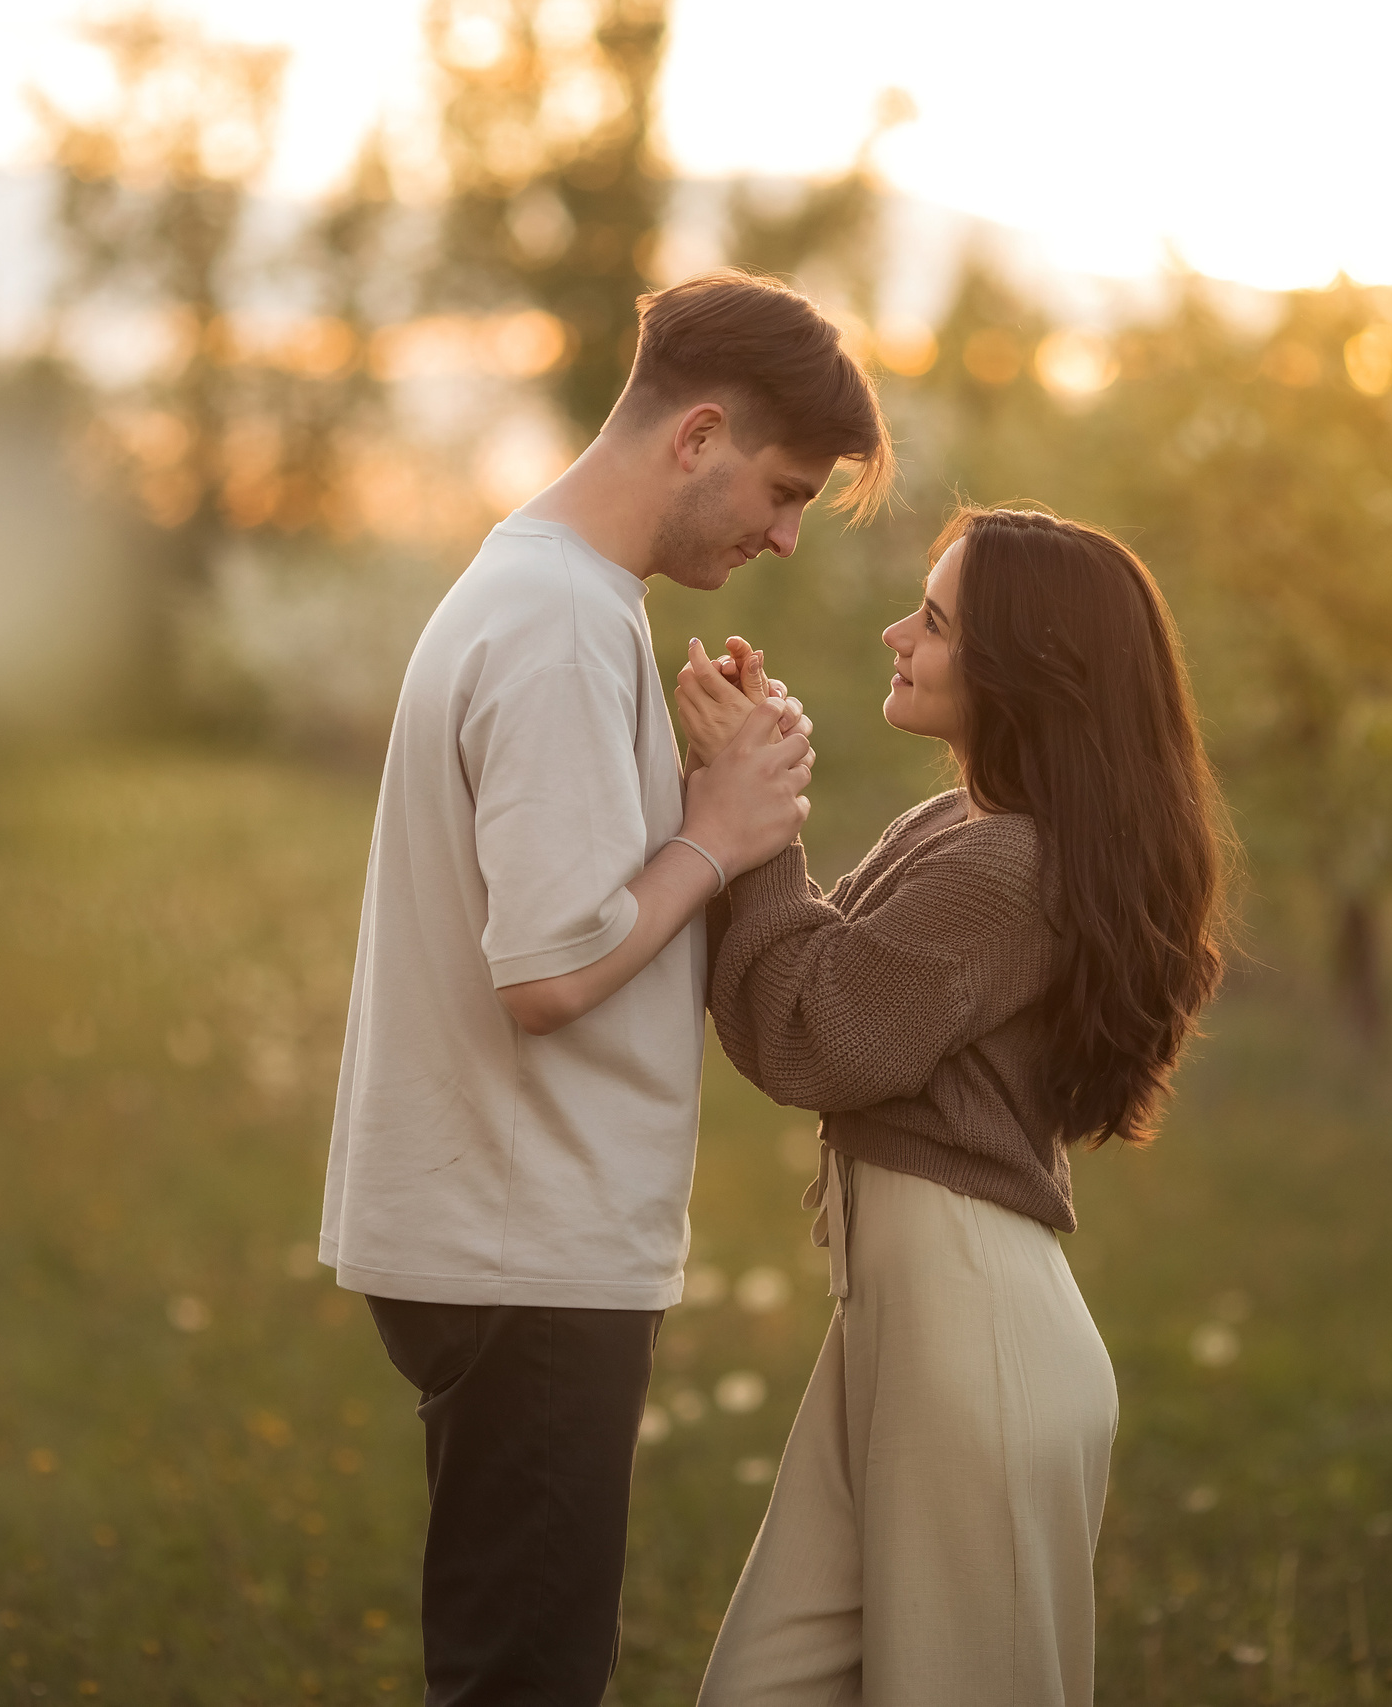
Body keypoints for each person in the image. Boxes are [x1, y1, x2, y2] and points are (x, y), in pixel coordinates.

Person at [318, 270, 894, 1707]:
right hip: (526, 1239)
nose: (778, 532)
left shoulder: (554, 596)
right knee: (527, 1679)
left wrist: (714, 790)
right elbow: (555, 965)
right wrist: (725, 828)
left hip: (506, 1225)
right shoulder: (564, 624)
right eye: (780, 489)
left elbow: (577, 909)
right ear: (696, 434)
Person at [679, 506, 1235, 1706]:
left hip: (969, 1340)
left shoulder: (1008, 871)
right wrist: (746, 792)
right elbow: (822, 973)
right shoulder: (965, 828)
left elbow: (815, 1033)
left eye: (931, 621)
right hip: (902, 1329)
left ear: (1024, 671)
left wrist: (755, 813)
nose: (896, 633)